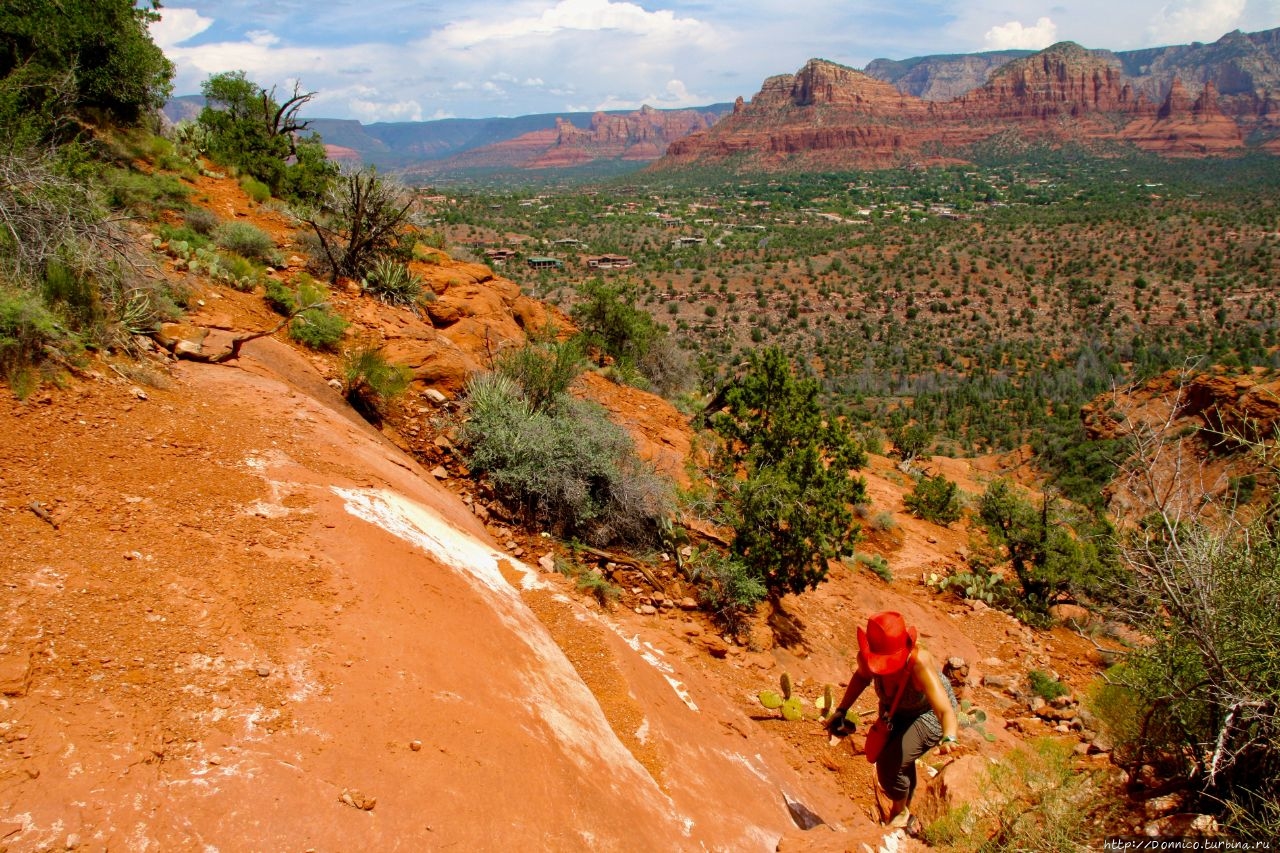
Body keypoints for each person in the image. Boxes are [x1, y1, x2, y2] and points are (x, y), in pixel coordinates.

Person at [827, 610, 959, 830]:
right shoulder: (868, 657)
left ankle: (900, 813)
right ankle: (905, 801)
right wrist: (841, 710)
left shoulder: (918, 662)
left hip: (927, 714)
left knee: (889, 766)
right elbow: (861, 677)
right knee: (891, 757)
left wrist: (949, 737)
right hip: (894, 711)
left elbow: (944, 710)